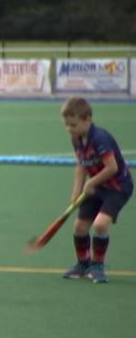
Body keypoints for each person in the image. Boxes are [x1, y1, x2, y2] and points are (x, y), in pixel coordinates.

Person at [60, 97, 132, 284]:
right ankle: (83, 264)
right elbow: (81, 165)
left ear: (87, 120)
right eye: (66, 125)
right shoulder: (76, 139)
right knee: (80, 226)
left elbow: (112, 168)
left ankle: (98, 265)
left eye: (73, 125)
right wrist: (76, 192)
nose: (69, 129)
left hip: (117, 186)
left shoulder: (100, 138)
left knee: (100, 224)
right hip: (98, 186)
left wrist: (91, 182)